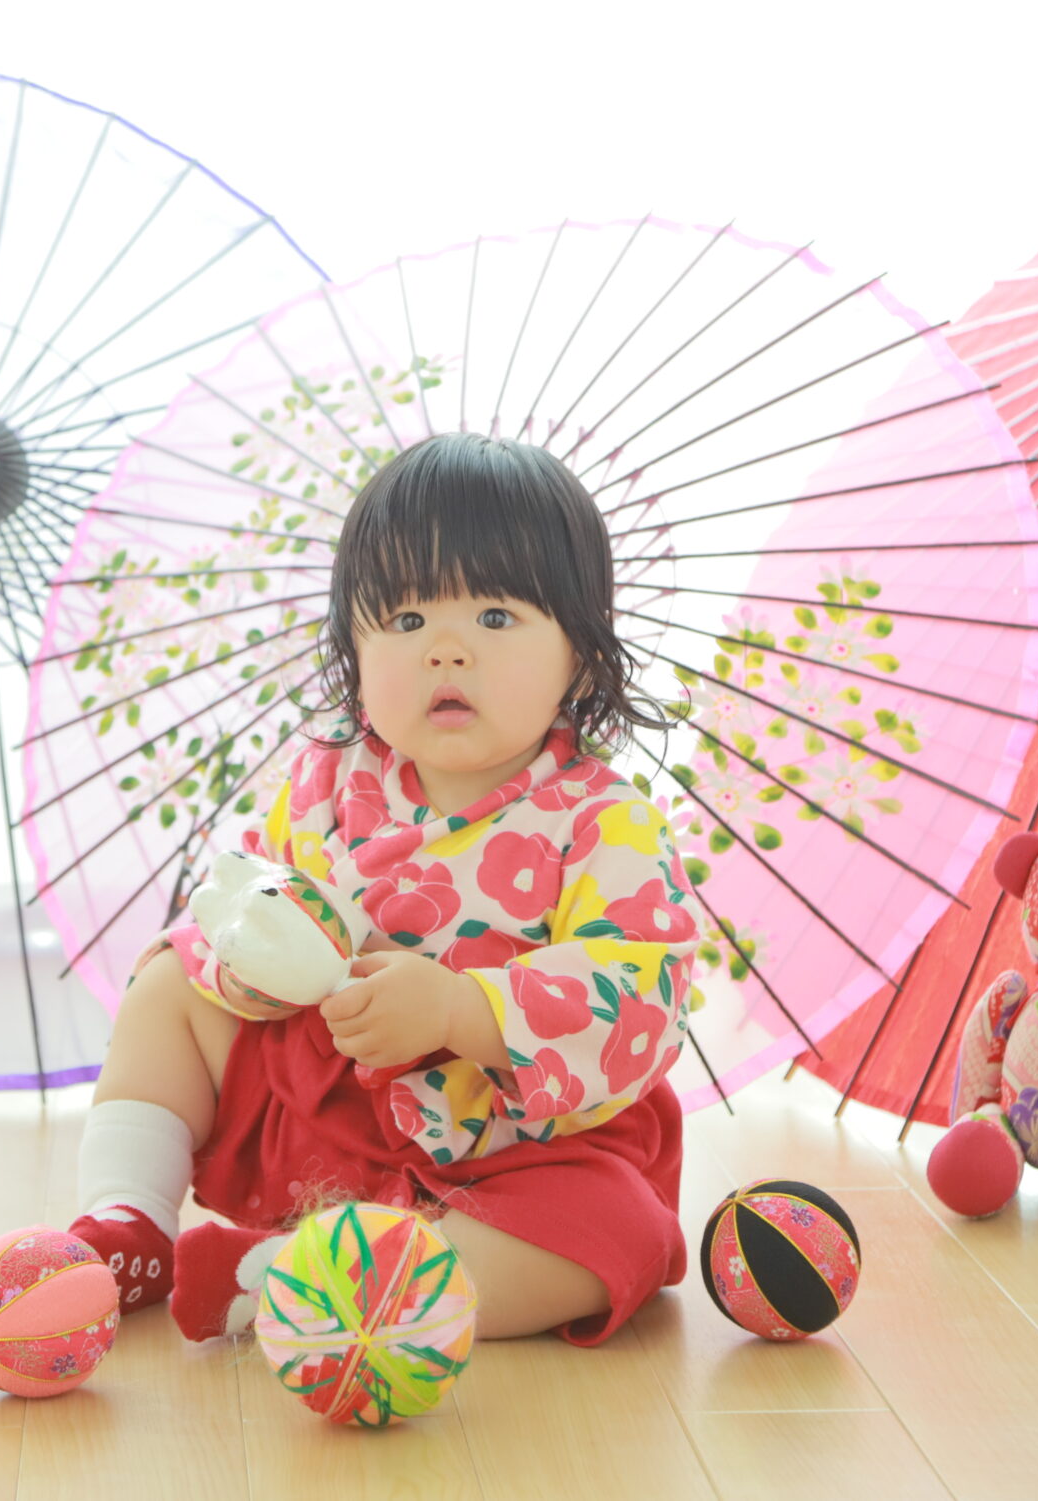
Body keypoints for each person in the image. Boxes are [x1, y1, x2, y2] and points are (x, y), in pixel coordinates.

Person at [57, 432, 699, 1343]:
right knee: (172, 981)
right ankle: (129, 1219)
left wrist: (461, 1010)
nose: (446, 650)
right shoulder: (329, 781)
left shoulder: (603, 821)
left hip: (517, 1153)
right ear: (352, 652)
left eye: (495, 616)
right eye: (404, 620)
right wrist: (258, 963)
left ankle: (284, 1274)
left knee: (620, 1231)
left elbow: (640, 993)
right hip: (334, 1115)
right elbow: (250, 901)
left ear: (582, 658)